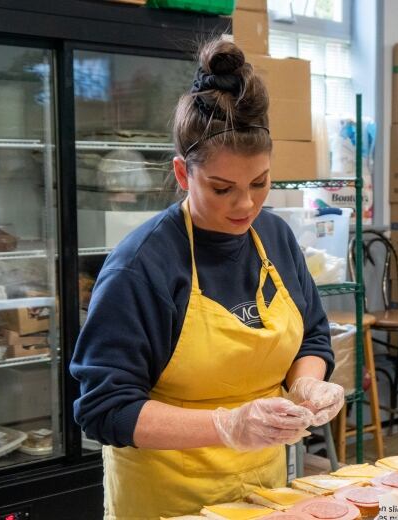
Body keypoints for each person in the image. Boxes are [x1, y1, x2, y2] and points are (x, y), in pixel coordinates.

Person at [71, 38, 344, 519]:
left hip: (264, 493)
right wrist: (226, 426)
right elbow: (104, 408)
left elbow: (313, 338)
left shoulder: (275, 238)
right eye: (222, 188)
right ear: (182, 173)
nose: (245, 205)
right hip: (166, 500)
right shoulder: (142, 267)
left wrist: (306, 386)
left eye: (260, 183)